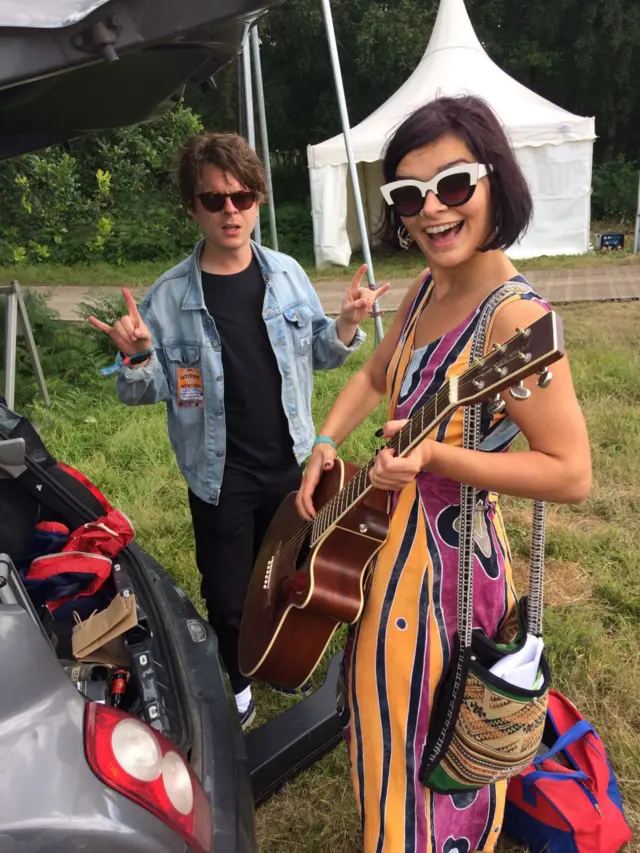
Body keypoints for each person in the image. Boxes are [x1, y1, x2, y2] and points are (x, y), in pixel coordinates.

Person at [296, 95, 591, 853]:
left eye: (453, 184)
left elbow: (570, 472)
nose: (430, 210)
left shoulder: (514, 321)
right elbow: (378, 371)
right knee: (386, 737)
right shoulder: (428, 285)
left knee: (434, 758)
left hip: (447, 580)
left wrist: (436, 456)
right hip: (377, 549)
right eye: (407, 195)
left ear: (496, 184)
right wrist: (327, 438)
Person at [88, 132, 389, 728]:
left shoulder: (287, 274)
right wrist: (137, 356)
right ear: (193, 207)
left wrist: (348, 324)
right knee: (228, 594)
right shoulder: (170, 298)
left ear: (257, 201)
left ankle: (282, 658)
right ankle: (241, 681)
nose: (231, 210)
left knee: (291, 576)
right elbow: (141, 391)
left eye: (243, 196)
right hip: (218, 474)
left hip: (294, 465)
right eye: (215, 199)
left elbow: (321, 355)